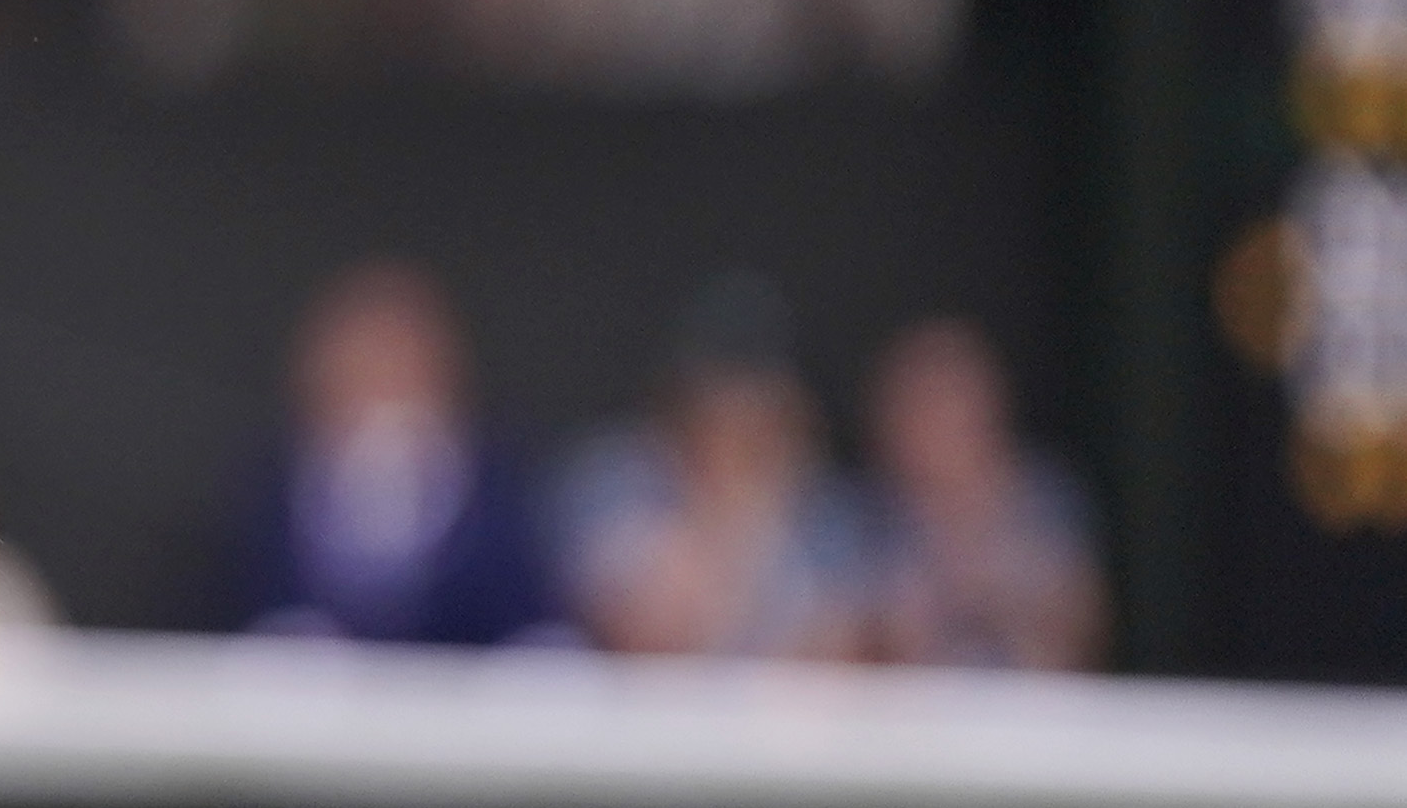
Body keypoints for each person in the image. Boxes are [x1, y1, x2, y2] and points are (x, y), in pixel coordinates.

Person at [220, 261, 568, 647]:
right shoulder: (271, 488)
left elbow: (528, 613)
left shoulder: (501, 481)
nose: (384, 383)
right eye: (360, 365)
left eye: (399, 360)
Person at [558, 279, 875, 659]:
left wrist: (761, 503)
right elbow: (648, 638)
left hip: (775, 716)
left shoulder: (827, 509)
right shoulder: (614, 477)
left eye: (758, 388)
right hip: (644, 714)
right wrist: (722, 511)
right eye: (716, 385)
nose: (735, 408)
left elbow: (843, 657)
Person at [849, 316, 1103, 669]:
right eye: (916, 403)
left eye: (944, 400)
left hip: (1024, 713)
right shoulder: (862, 513)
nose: (931, 423)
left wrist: (994, 593)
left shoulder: (1042, 499)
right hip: (907, 715)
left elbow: (1080, 631)